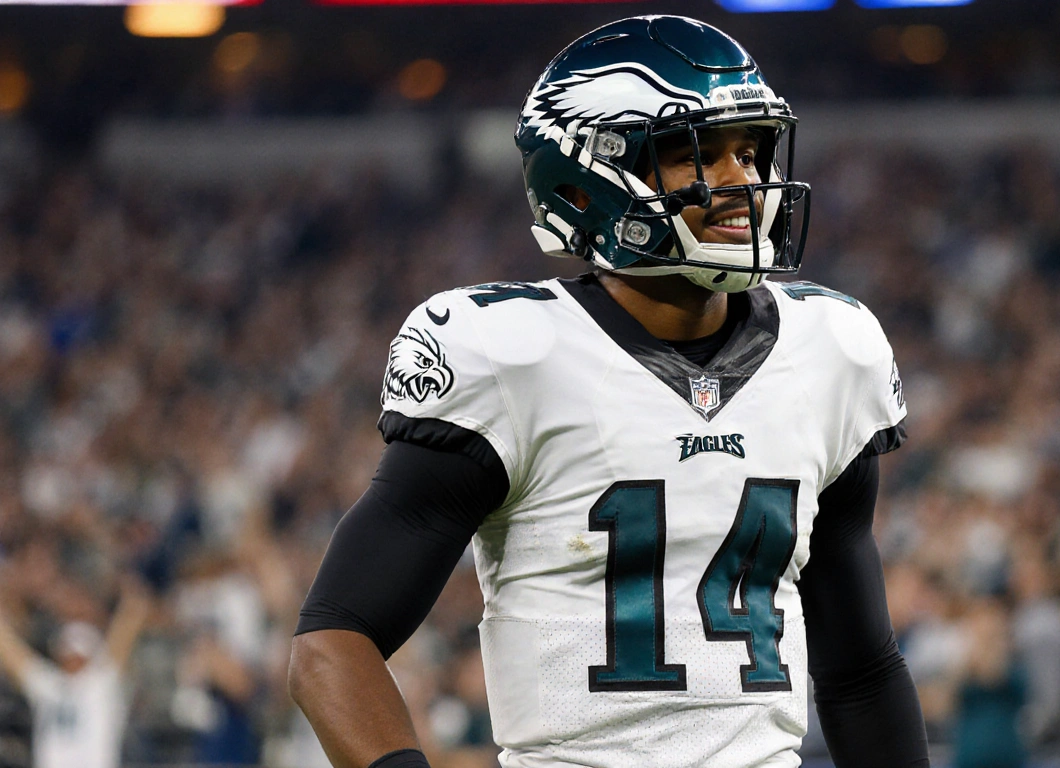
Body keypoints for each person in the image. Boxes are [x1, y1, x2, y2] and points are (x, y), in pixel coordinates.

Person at [289, 15, 928, 768]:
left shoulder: (829, 350)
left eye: (750, 153)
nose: (744, 183)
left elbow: (861, 672)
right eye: (699, 156)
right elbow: (333, 645)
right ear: (586, 182)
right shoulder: (510, 355)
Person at [0, 577, 152, 768]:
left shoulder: (101, 683)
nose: (72, 660)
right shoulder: (49, 685)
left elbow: (124, 633)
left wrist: (132, 596)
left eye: (77, 654)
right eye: (68, 653)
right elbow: (13, 655)